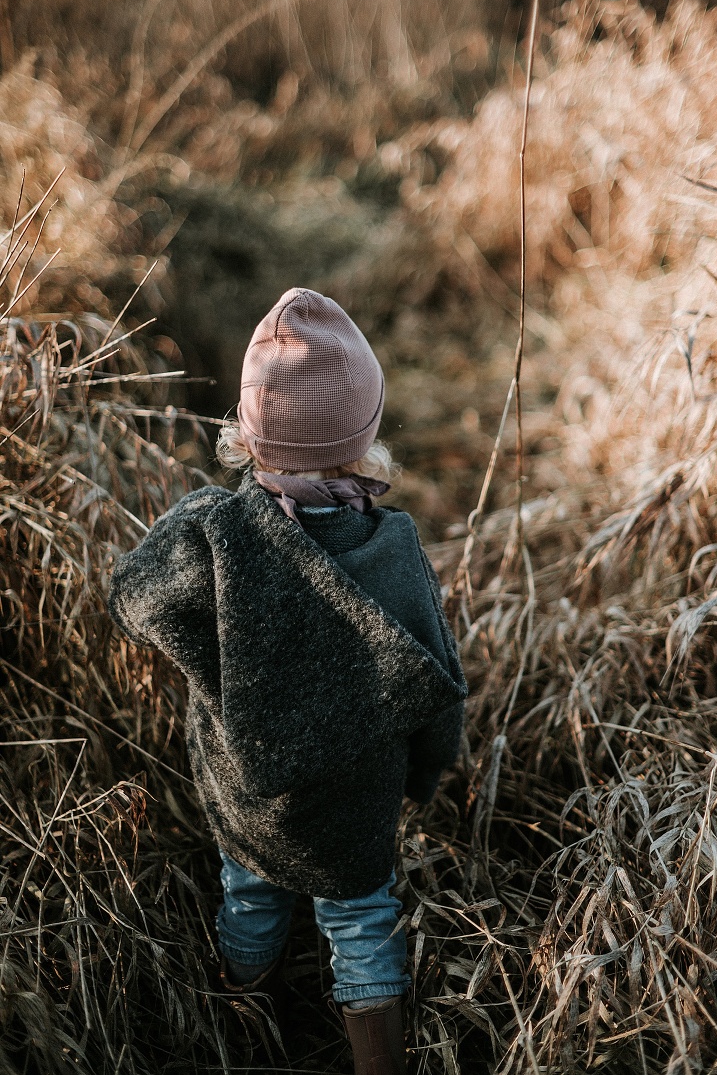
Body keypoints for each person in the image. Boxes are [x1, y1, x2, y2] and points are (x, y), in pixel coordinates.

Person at [108, 287, 467, 1075]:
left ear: (246, 433)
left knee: (249, 898)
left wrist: (218, 667)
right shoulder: (393, 552)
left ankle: (245, 1038)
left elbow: (133, 595)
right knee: (362, 922)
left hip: (248, 792)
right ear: (365, 438)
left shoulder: (216, 530)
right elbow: (438, 684)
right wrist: (432, 773)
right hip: (353, 803)